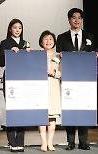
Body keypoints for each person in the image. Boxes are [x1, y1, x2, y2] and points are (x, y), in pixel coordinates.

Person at [56, 8, 95, 151]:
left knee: (83, 108)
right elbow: (58, 55)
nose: (77, 20)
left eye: (79, 18)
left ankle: (84, 142)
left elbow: (93, 55)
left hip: (85, 79)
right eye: (74, 17)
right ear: (69, 20)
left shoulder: (90, 36)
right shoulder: (61, 37)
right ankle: (71, 142)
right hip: (69, 79)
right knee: (70, 109)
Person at [0, 18, 31, 152]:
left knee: (22, 111)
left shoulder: (25, 43)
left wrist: (30, 53)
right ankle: (12, 141)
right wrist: (9, 52)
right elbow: (1, 62)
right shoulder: (4, 43)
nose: (17, 30)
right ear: (10, 29)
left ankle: (20, 141)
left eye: (20, 28)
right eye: (15, 27)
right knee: (12, 110)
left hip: (23, 79)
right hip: (10, 79)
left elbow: (30, 63)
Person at [38, 30, 61, 152]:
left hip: (53, 89)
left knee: (52, 118)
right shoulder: (36, 55)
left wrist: (55, 73)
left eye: (51, 39)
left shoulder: (58, 55)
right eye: (45, 39)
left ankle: (50, 143)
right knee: (41, 117)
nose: (48, 41)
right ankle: (43, 142)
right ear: (41, 41)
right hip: (40, 89)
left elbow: (64, 73)